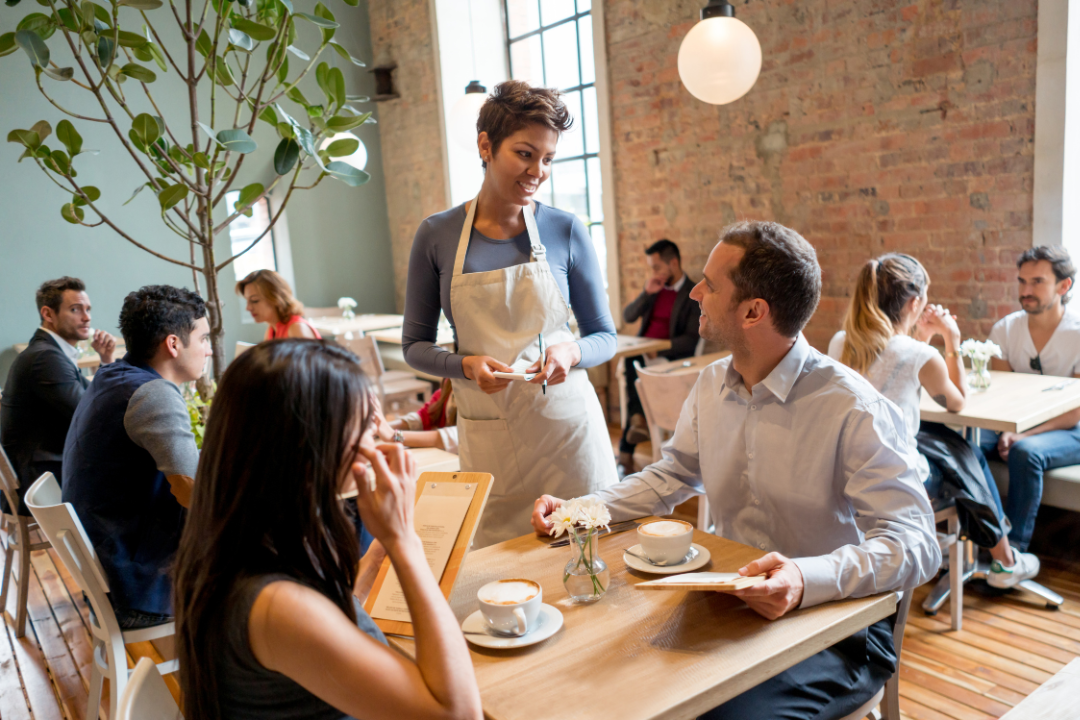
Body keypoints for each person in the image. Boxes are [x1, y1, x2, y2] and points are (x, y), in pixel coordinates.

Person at [531, 221, 940, 720]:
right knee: (597, 681)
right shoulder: (708, 385)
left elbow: (917, 544)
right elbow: (669, 477)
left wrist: (803, 578)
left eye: (710, 284)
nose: (695, 293)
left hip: (835, 628)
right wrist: (579, 511)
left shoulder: (853, 406)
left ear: (753, 312)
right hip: (726, 605)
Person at [173, 339, 483, 720]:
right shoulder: (276, 606)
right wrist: (404, 541)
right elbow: (457, 713)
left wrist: (374, 559)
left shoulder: (239, 539)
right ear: (311, 446)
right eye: (365, 427)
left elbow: (329, 616)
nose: (376, 441)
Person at [402, 80, 618, 547]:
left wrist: (572, 352)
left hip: (569, 440)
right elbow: (414, 346)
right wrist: (464, 365)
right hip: (490, 442)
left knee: (587, 571)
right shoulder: (436, 235)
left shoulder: (564, 229)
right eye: (525, 153)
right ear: (486, 145)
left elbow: (604, 336)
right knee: (502, 578)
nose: (537, 171)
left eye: (547, 159)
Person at [828, 254, 1040, 588]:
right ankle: (1003, 559)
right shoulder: (919, 355)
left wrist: (920, 338)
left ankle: (988, 555)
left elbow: (895, 377)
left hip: (845, 469)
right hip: (895, 477)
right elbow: (957, 401)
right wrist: (950, 339)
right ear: (915, 302)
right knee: (965, 455)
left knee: (952, 447)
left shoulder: (841, 342)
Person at [62, 285, 210, 629]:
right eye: (203, 339)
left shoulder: (114, 375)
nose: (209, 350)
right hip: (140, 585)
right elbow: (192, 492)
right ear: (173, 344)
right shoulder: (153, 393)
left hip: (114, 568)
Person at [980, 245, 1080, 559]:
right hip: (1017, 424)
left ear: (1064, 286)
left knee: (1025, 453)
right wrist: (1008, 429)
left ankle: (1013, 555)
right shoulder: (1006, 330)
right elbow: (1001, 396)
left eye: (1037, 282)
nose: (1026, 290)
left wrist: (1023, 434)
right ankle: (985, 536)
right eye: (1022, 282)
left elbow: (1074, 411)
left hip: (1072, 428)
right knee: (962, 442)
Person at [1, 277, 116, 512]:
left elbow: (92, 399)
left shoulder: (49, 352)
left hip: (41, 472)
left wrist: (105, 360)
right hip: (39, 484)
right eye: (75, 310)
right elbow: (93, 415)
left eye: (88, 309)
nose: (87, 317)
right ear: (48, 313)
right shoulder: (45, 358)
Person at [618, 239, 701, 473]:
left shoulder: (692, 293)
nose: (653, 272)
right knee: (631, 360)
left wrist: (660, 348)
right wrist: (646, 292)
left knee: (634, 366)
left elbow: (691, 339)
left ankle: (627, 448)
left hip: (669, 359)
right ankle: (637, 420)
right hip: (642, 355)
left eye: (656, 267)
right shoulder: (654, 290)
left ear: (673, 263)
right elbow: (628, 316)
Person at [373, 379, 459, 453]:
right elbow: (425, 416)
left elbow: (453, 437)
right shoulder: (449, 384)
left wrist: (393, 435)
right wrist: (381, 426)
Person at [236, 269, 321, 340]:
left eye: (255, 300)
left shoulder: (296, 329)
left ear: (275, 298)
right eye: (247, 301)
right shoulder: (271, 330)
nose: (248, 308)